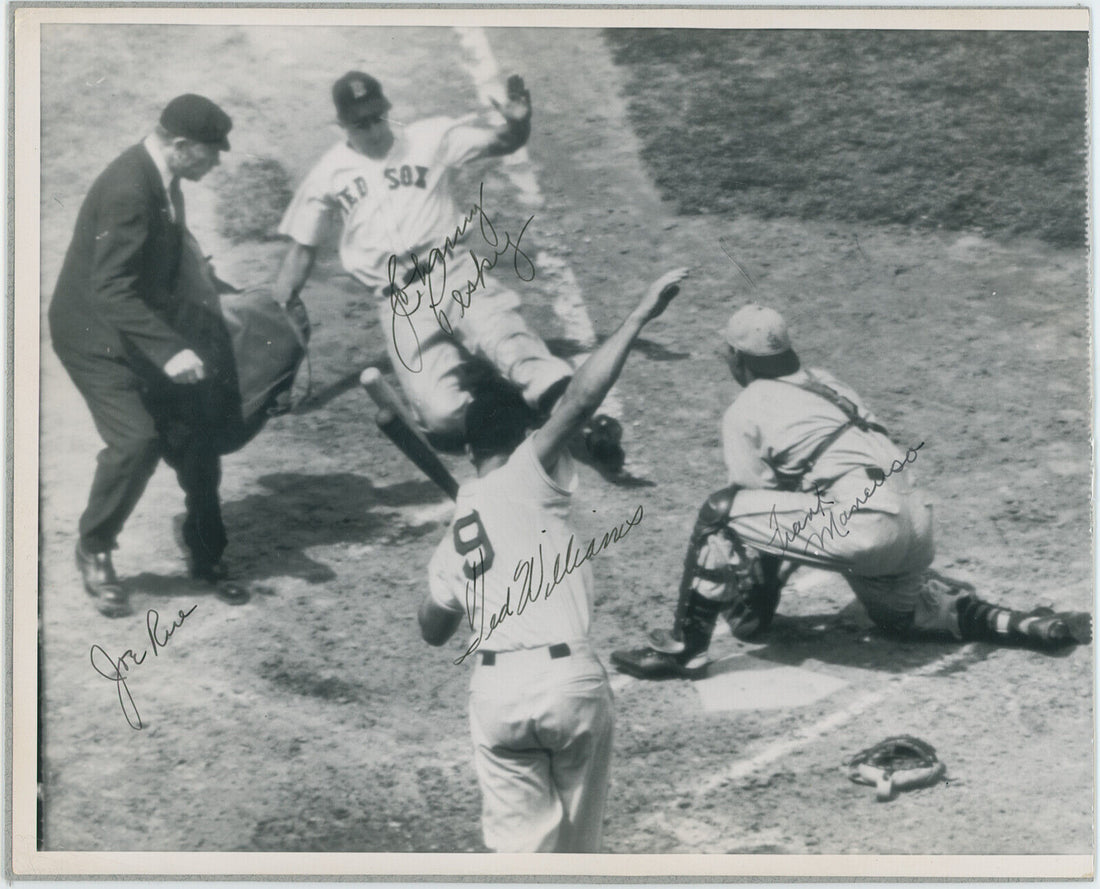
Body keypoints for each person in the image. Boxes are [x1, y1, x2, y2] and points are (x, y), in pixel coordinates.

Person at [611, 304, 1092, 679]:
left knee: (719, 512)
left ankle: (683, 649)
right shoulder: (831, 383)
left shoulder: (747, 407)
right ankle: (1027, 625)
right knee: (906, 618)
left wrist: (756, 604)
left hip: (863, 526)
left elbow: (749, 518)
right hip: (916, 523)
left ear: (736, 358)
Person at [418, 268, 688, 852]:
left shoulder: (459, 531)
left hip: (495, 696)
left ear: (468, 449)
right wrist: (639, 314)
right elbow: (581, 396)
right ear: (524, 439)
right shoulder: (528, 471)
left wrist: (461, 553)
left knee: (518, 862)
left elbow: (432, 630)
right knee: (576, 857)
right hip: (570, 688)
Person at [273, 71, 624, 471]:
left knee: (514, 347)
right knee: (440, 417)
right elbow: (301, 251)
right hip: (398, 300)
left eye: (376, 116)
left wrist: (517, 122)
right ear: (341, 125)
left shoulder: (429, 138)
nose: (371, 128)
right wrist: (276, 315)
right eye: (359, 122)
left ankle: (587, 425)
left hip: (454, 271)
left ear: (387, 110)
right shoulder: (327, 174)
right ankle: (503, 393)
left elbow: (504, 142)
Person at [49, 93, 249, 617]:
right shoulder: (129, 190)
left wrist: (212, 286)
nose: (217, 160)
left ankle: (205, 553)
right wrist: (169, 351)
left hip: (137, 328)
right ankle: (94, 547)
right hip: (96, 338)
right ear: (181, 146)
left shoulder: (164, 180)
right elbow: (112, 289)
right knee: (137, 440)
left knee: (197, 431)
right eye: (211, 150)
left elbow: (161, 261)